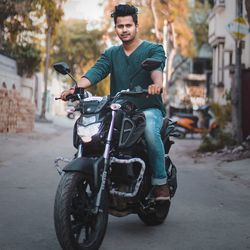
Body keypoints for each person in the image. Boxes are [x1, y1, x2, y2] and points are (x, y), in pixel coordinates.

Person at [61, 4, 170, 201]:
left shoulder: (153, 49)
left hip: (147, 108)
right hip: (118, 109)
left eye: (128, 25)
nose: (125, 30)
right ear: (116, 28)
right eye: (120, 26)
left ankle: (160, 183)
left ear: (136, 26)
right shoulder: (112, 53)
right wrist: (76, 88)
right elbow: (96, 71)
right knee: (96, 132)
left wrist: (157, 84)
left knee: (150, 133)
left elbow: (156, 70)